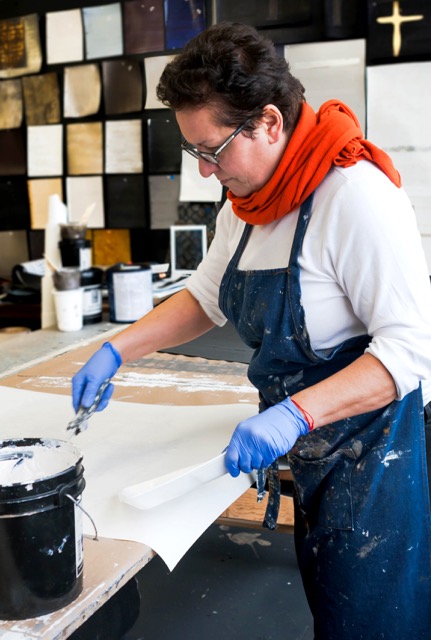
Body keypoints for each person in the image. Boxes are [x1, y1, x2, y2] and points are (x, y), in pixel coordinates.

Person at [72, 22, 431, 639]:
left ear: (268, 121)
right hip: (311, 453)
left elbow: (412, 349)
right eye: (195, 153)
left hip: (373, 461)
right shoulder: (245, 206)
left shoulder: (355, 197)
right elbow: (204, 299)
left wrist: (293, 415)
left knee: (370, 621)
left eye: (212, 150)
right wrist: (115, 349)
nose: (205, 172)